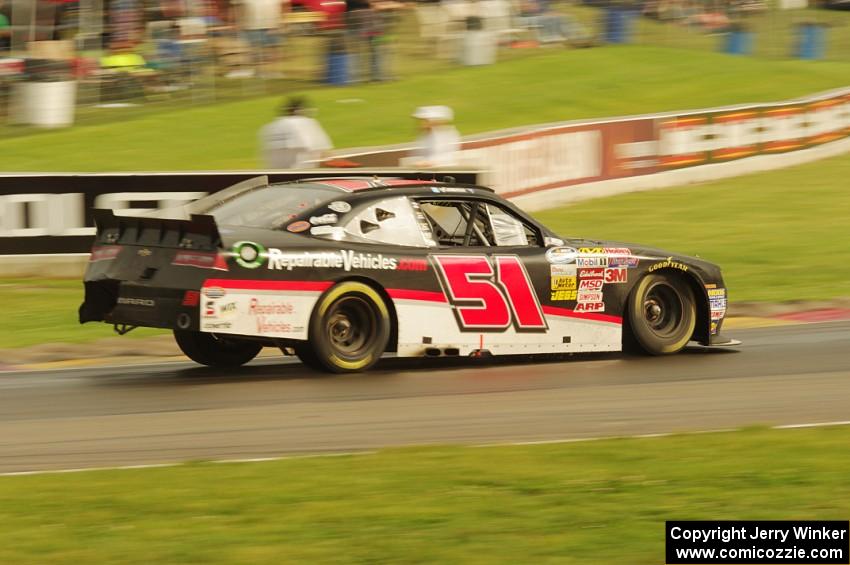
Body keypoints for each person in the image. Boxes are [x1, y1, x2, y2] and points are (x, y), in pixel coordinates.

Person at [259, 97, 334, 169]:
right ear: (301, 111)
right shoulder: (307, 122)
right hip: (301, 175)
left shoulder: (268, 128)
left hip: (274, 176)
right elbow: (325, 155)